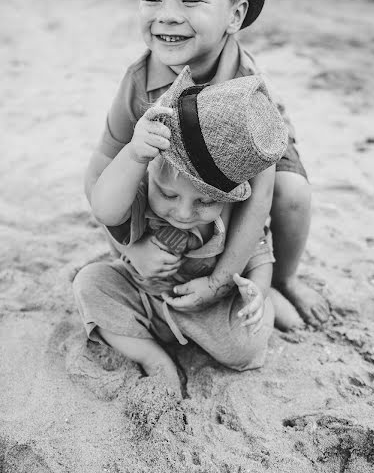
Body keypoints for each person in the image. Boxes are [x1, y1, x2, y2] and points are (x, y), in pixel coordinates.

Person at [84, 0, 329, 330]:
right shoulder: (140, 84)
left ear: (234, 16)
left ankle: (281, 280)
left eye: (191, 0)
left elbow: (259, 198)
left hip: (258, 136)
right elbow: (99, 173)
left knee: (294, 194)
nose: (168, 14)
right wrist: (130, 250)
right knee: (145, 177)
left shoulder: (245, 86)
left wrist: (219, 282)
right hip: (181, 165)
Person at [73, 69, 288, 387]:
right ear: (149, 177)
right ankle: (152, 356)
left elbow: (258, 249)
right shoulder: (141, 193)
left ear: (227, 198)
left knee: (246, 345)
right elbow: (104, 209)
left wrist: (257, 289)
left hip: (207, 309)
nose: (184, 212)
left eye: (204, 202)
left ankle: (271, 303)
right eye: (170, 194)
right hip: (145, 294)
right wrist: (134, 154)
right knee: (90, 284)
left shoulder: (233, 215)